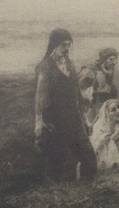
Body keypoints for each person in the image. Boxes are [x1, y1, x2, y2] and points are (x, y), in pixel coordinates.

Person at [34, 29, 97, 182]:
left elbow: (76, 93)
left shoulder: (70, 64)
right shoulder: (45, 66)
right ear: (54, 45)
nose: (67, 48)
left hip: (74, 117)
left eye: (69, 45)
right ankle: (55, 191)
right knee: (57, 157)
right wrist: (38, 120)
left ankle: (88, 188)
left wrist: (85, 118)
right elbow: (40, 95)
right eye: (63, 45)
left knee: (88, 154)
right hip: (54, 118)